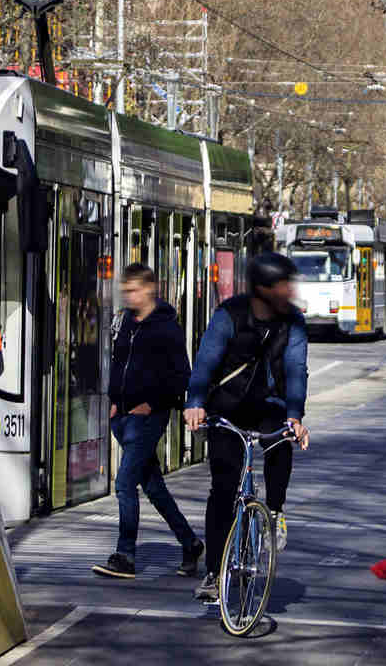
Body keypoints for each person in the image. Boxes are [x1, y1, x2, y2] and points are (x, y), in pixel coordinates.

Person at [184, 250, 310, 604]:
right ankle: (213, 572)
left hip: (271, 405)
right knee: (223, 487)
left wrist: (295, 416)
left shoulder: (294, 323)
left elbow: (296, 369)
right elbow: (206, 359)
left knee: (280, 440)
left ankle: (275, 511)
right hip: (228, 407)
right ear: (263, 289)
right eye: (282, 286)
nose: (289, 292)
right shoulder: (229, 315)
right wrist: (195, 402)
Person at [95, 264, 205, 581]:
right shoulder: (127, 322)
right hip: (123, 416)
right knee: (153, 488)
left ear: (149, 289)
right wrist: (114, 401)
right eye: (125, 290)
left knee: (124, 483)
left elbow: (181, 376)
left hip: (147, 418)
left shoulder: (166, 328)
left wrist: (151, 404)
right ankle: (190, 543)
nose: (128, 296)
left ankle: (126, 555)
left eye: (133, 291)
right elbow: (119, 364)